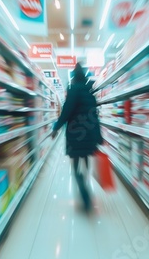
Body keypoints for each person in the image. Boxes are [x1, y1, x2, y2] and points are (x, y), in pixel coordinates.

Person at [51, 63, 103, 212]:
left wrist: (56, 127)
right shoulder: (90, 93)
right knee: (85, 160)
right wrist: (99, 137)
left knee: (75, 166)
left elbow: (66, 112)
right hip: (89, 135)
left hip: (75, 136)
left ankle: (85, 195)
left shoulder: (73, 91)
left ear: (73, 77)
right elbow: (95, 117)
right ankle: (85, 181)